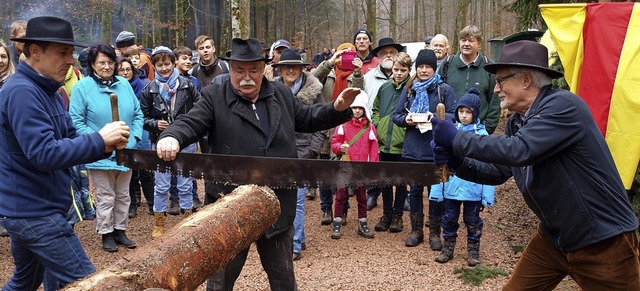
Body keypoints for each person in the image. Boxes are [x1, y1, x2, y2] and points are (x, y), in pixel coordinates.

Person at [432, 40, 640, 290]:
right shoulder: (517, 121)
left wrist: (456, 138)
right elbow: (499, 171)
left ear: (526, 80)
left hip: (602, 240)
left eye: (501, 81)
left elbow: (520, 150)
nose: (496, 89)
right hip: (554, 239)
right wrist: (458, 162)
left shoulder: (563, 106)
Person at [154, 37, 359, 291]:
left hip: (277, 204)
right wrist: (172, 136)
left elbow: (307, 117)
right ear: (231, 69)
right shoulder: (215, 95)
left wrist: (337, 108)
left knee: (283, 281)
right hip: (229, 210)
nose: (246, 77)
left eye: (253, 70)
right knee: (220, 283)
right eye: (239, 71)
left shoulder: (280, 93)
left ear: (264, 69)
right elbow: (191, 121)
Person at [0, 16, 130, 290]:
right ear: (35, 51)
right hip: (34, 212)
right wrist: (98, 139)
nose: (71, 60)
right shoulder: (22, 92)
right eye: (62, 52)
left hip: (36, 207)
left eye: (70, 52)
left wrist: (106, 144)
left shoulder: (49, 91)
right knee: (88, 283)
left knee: (26, 281)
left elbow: (70, 139)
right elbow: (43, 153)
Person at [69, 43, 143, 253]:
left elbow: (137, 114)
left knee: (123, 194)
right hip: (100, 152)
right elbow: (76, 122)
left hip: (125, 150)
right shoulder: (82, 88)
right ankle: (106, 232)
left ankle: (120, 229)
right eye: (102, 62)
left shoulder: (123, 84)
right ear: (93, 64)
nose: (107, 66)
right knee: (105, 195)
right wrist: (101, 141)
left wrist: (133, 138)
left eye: (111, 62)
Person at [392, 49, 456, 248]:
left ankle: (435, 233)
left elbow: (454, 114)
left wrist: (436, 120)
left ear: (434, 68)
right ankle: (416, 230)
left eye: (428, 67)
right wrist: (408, 120)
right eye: (420, 66)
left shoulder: (443, 90)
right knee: (415, 192)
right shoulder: (410, 89)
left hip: (435, 149)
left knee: (435, 192)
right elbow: (397, 116)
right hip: (412, 149)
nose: (424, 70)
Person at [140, 46, 201, 238]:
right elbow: (142, 117)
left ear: (173, 63)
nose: (164, 68)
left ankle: (187, 219)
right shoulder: (149, 89)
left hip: (185, 141)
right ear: (154, 66)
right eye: (159, 65)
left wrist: (188, 124)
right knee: (161, 184)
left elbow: (200, 109)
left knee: (185, 183)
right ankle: (159, 221)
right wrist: (153, 123)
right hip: (159, 141)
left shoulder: (186, 85)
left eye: (167, 64)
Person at [429, 88, 495, 266]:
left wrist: (487, 195)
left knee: (472, 220)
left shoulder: (482, 136)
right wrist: (437, 190)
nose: (464, 115)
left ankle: (473, 251)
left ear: (475, 114)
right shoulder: (449, 133)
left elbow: (490, 167)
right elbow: (440, 163)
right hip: (451, 186)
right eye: (461, 111)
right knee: (449, 218)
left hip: (474, 188)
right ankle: (448, 248)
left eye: (468, 112)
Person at [272, 48, 326, 260]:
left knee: (298, 200)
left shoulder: (314, 91)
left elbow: (322, 122)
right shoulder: (272, 89)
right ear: (281, 69)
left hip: (302, 153)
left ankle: (293, 245)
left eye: (295, 67)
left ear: (301, 69)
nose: (291, 70)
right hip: (278, 154)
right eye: (287, 67)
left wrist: (313, 150)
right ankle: (297, 238)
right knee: (279, 199)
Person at [313, 42, 364, 226]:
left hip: (345, 127)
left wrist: (357, 73)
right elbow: (312, 78)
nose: (347, 57)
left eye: (351, 54)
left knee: (343, 170)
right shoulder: (329, 73)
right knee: (324, 169)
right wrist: (328, 62)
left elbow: (359, 94)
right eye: (344, 54)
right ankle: (326, 207)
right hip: (324, 126)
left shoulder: (355, 75)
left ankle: (342, 209)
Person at [363, 37, 405, 210]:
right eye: (384, 53)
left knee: (401, 174)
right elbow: (368, 104)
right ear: (378, 56)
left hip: (400, 135)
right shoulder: (368, 77)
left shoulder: (408, 82)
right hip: (378, 131)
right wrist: (377, 124)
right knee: (378, 170)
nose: (388, 56)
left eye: (392, 53)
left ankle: (401, 204)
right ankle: (373, 194)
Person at [371, 52, 412, 233]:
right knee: (385, 180)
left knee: (401, 181)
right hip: (384, 142)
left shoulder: (412, 89)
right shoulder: (385, 88)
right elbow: (376, 109)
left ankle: (398, 216)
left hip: (402, 143)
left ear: (409, 70)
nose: (399, 73)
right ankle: (386, 214)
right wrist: (378, 124)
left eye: (403, 70)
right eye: (396, 69)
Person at [330, 91, 378, 239]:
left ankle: (362, 223)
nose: (357, 110)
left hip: (362, 167)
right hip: (346, 165)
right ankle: (337, 222)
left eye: (360, 108)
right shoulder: (343, 125)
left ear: (364, 109)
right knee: (341, 195)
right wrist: (340, 147)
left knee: (362, 196)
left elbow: (374, 148)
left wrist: (372, 168)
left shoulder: (369, 127)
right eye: (354, 107)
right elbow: (334, 143)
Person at [436, 25, 500, 134]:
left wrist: (487, 128)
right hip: (449, 129)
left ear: (479, 44)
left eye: (471, 41)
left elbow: (495, 102)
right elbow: (436, 95)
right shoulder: (447, 64)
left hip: (478, 132)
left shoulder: (489, 67)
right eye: (463, 40)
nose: (466, 44)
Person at [118, 57, 155, 217]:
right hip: (124, 131)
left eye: (128, 69)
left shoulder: (144, 85)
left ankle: (153, 203)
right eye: (122, 69)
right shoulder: (116, 87)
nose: (125, 72)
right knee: (130, 172)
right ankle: (132, 205)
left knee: (146, 170)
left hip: (142, 130)